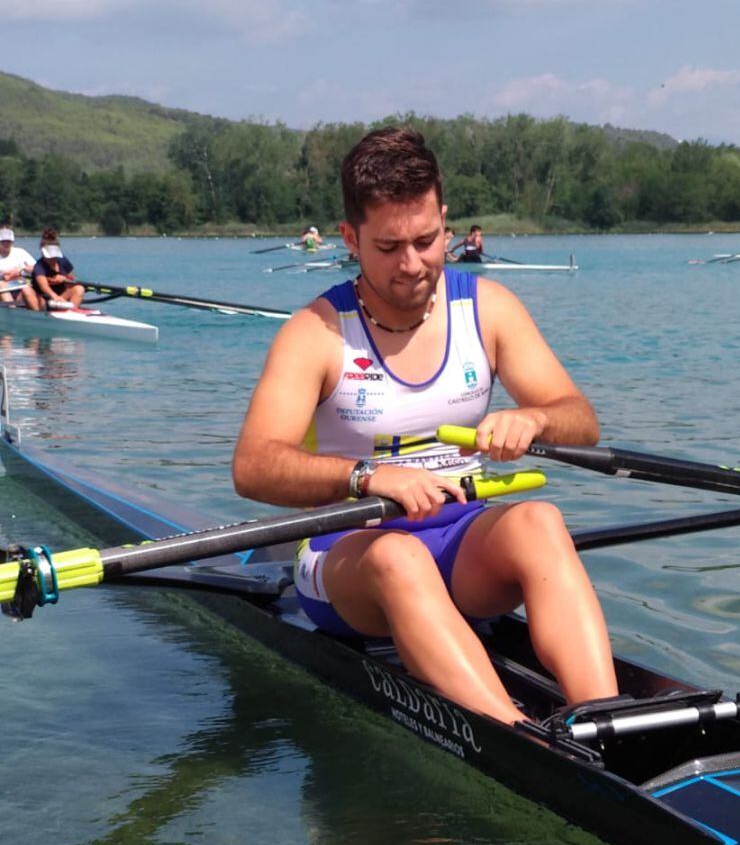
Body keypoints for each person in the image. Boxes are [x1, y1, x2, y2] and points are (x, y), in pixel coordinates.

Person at [233, 126, 618, 727]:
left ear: (445, 221)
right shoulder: (315, 332)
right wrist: (366, 476)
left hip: (461, 541)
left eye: (426, 240)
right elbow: (254, 465)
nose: (412, 265)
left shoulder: (487, 307)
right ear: (350, 239)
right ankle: (520, 742)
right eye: (388, 248)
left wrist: (534, 416)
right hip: (349, 555)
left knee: (541, 520)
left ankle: (602, 718)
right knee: (398, 558)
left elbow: (582, 421)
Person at [32, 230, 85, 308]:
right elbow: (44, 286)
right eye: (50, 257)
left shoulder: (63, 260)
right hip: (46, 300)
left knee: (79, 289)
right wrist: (55, 297)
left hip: (62, 297)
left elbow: (73, 279)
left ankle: (72, 312)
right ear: (43, 253)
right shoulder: (39, 266)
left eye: (54, 256)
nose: (53, 259)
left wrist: (64, 279)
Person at [0, 225, 39, 309]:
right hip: (3, 290)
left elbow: (36, 269)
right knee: (1, 284)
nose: (6, 244)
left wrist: (20, 272)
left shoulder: (21, 252)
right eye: (3, 241)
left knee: (28, 288)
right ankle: (12, 309)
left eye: (9, 241)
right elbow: (5, 277)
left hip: (21, 287)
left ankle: (38, 313)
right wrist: (5, 275)